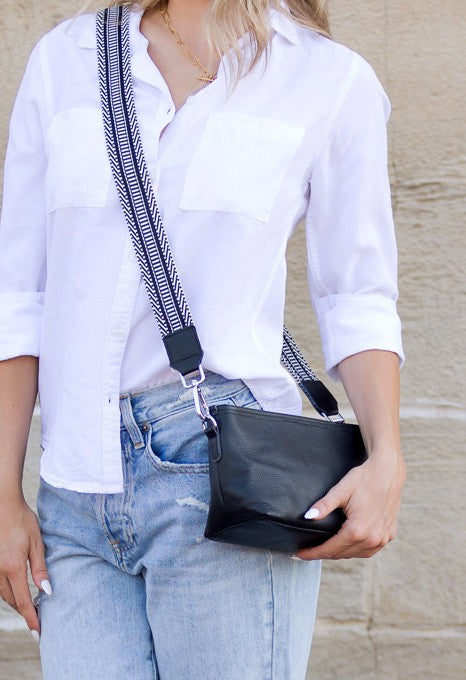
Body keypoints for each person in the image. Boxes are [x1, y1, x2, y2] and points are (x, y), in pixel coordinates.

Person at [0, 0, 407, 678]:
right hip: (71, 490)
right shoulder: (64, 61)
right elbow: (19, 297)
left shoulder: (327, 79)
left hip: (220, 476)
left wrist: (387, 454)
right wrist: (2, 491)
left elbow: (356, 294)